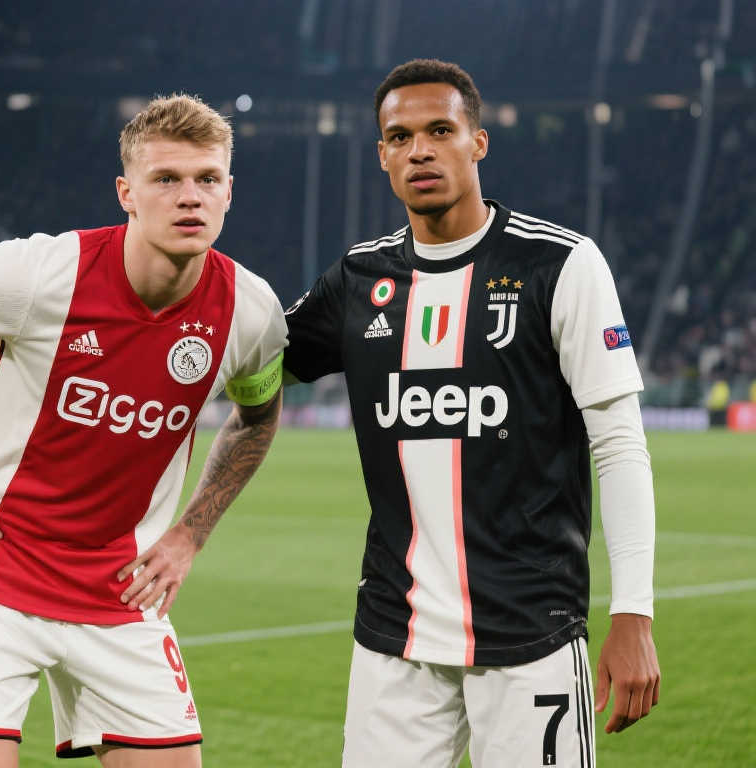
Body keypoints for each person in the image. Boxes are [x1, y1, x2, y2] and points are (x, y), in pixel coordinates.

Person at [0, 94, 286, 768]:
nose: (189, 196)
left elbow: (258, 417)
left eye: (207, 178)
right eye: (166, 179)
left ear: (230, 191)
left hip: (122, 592)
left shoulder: (252, 313)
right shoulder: (42, 273)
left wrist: (191, 533)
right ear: (126, 193)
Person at [283, 59, 660, 767]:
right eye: (400, 138)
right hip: (395, 638)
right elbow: (250, 363)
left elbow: (618, 444)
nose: (419, 151)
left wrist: (633, 613)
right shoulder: (359, 280)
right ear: (382, 156)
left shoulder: (561, 265)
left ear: (478, 142)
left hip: (531, 636)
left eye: (440, 130)